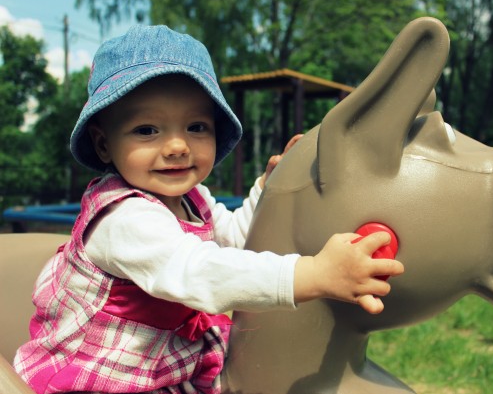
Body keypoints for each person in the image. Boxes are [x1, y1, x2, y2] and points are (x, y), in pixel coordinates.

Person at [13, 25, 404, 394]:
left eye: (196, 127)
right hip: (101, 376)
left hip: (160, 368)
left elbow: (234, 241)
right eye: (147, 130)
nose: (178, 146)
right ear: (103, 145)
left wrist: (268, 191)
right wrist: (314, 274)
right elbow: (198, 271)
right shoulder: (122, 219)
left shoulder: (192, 198)